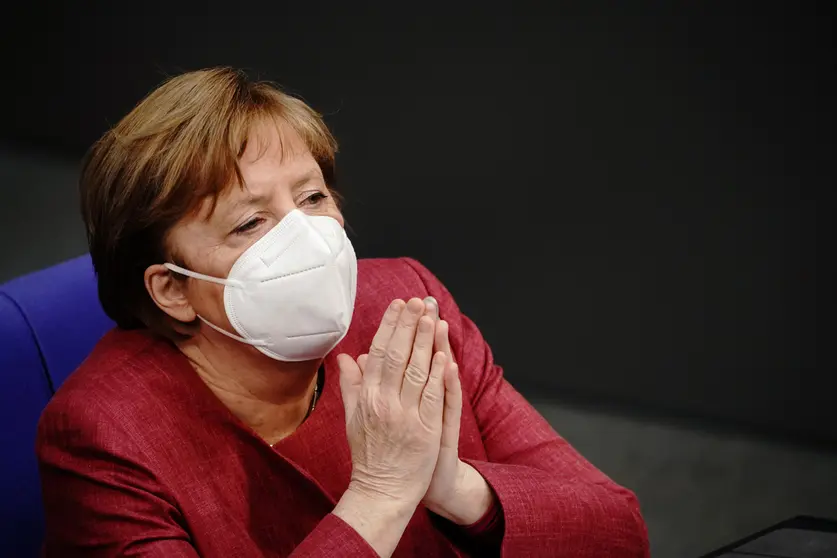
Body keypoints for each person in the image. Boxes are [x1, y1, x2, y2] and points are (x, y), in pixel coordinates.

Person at [36, 67, 649, 557]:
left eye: (312, 197)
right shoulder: (103, 438)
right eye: (251, 222)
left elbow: (620, 533)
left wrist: (459, 489)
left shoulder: (404, 307)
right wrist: (380, 496)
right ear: (171, 289)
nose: (304, 237)